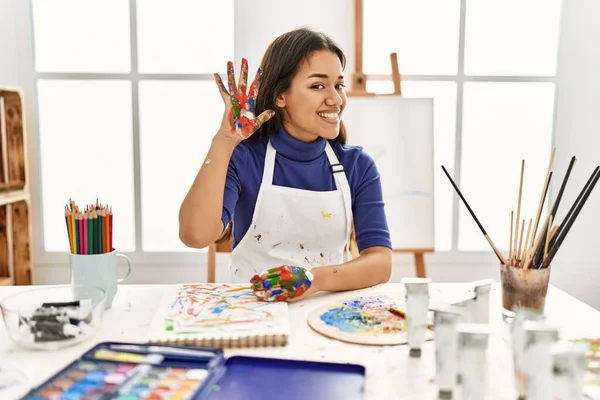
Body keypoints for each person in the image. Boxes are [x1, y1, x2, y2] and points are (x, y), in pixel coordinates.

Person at [179, 27, 392, 301]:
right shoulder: (245, 158)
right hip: (251, 312)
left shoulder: (356, 166)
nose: (336, 99)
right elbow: (195, 235)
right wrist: (224, 141)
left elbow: (380, 261)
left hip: (325, 310)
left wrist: (313, 279)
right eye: (318, 85)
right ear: (281, 96)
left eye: (338, 84)